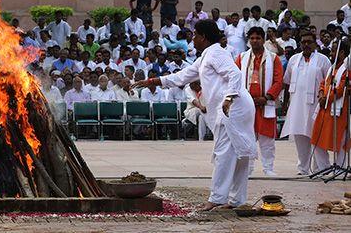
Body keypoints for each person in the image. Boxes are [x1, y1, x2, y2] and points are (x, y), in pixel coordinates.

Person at [135, 20, 256, 210]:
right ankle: (236, 200)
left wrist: (229, 98)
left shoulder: (216, 53)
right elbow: (181, 77)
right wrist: (152, 81)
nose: (193, 39)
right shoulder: (206, 56)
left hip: (234, 106)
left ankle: (217, 198)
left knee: (224, 153)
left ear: (204, 37)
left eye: (196, 35)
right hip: (234, 106)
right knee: (236, 153)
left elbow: (235, 74)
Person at [280, 30, 331, 175]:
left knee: (317, 136)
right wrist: (285, 105)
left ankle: (322, 168)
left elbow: (328, 83)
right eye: (304, 42)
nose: (306, 45)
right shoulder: (294, 60)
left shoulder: (323, 60)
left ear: (315, 43)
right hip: (297, 104)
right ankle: (303, 168)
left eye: (309, 42)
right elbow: (287, 83)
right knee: (300, 136)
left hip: (316, 105)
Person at [234, 27, 283, 177]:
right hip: (246, 104)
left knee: (267, 138)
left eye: (258, 38)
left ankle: (268, 168)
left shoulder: (273, 58)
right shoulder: (241, 57)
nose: (255, 41)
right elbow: (235, 78)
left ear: (263, 39)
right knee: (247, 137)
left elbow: (278, 81)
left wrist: (267, 97)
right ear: (249, 40)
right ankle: (247, 169)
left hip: (265, 104)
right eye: (252, 38)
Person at [310, 40, 350, 173]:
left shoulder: (346, 70)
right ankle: (324, 168)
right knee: (316, 138)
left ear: (342, 53)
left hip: (338, 111)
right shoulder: (332, 68)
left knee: (339, 140)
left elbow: (341, 89)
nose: (331, 53)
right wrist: (321, 94)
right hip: (324, 108)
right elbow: (323, 83)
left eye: (333, 51)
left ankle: (340, 169)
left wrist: (326, 98)